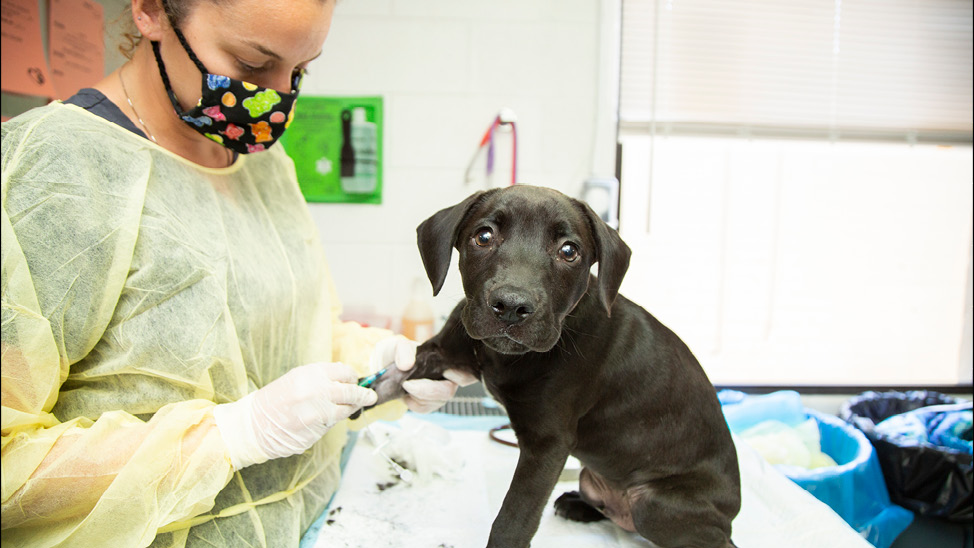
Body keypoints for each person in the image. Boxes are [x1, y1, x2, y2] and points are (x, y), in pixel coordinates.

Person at [0, 0, 476, 546]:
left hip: (312, 519)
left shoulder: (264, 169)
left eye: (300, 71)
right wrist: (232, 436)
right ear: (151, 12)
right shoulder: (52, 172)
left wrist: (371, 363)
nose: (277, 97)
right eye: (252, 66)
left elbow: (285, 335)